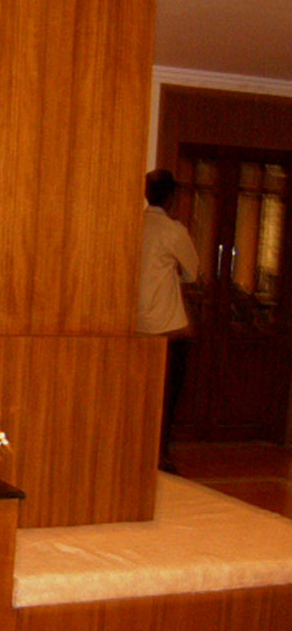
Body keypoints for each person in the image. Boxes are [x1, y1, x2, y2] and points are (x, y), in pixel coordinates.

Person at [137, 169, 199, 470]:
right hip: (166, 326)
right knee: (167, 395)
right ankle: (160, 453)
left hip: (133, 324)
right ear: (172, 197)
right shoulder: (173, 231)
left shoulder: (134, 225)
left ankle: (137, 449)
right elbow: (192, 272)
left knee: (139, 394)